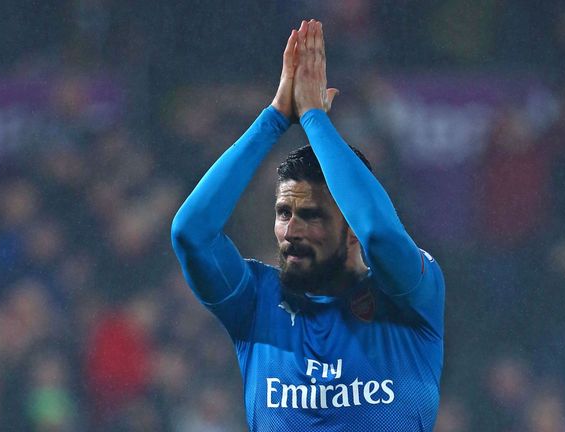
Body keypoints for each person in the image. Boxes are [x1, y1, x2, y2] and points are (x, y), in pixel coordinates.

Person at [170, 19, 445, 431]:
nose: (291, 230)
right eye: (284, 213)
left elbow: (381, 235)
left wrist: (315, 118)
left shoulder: (406, 298)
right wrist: (275, 118)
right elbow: (190, 233)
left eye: (312, 215)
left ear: (349, 225)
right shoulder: (255, 303)